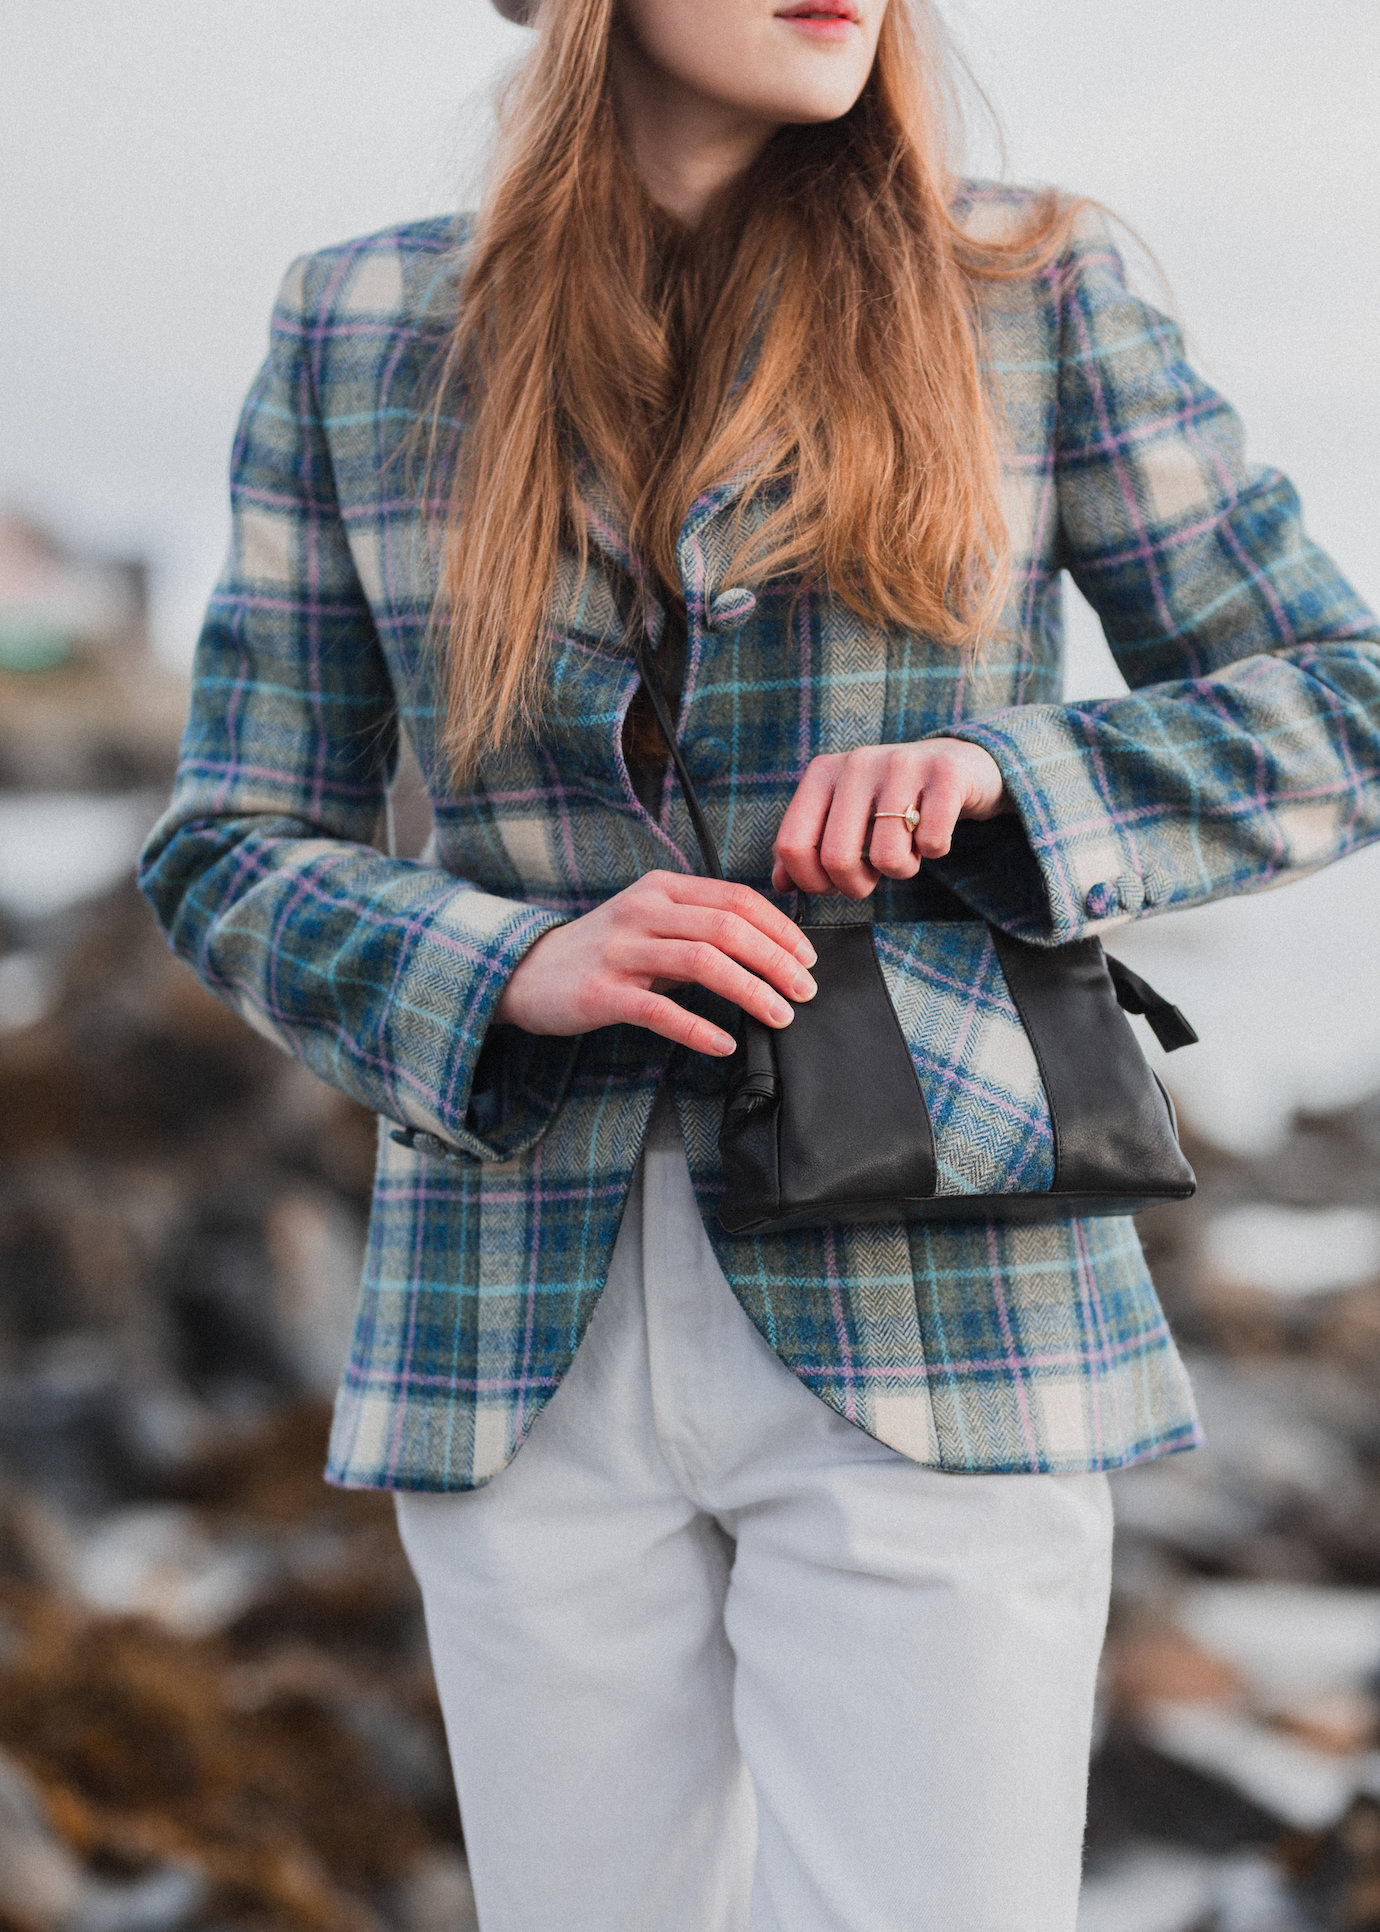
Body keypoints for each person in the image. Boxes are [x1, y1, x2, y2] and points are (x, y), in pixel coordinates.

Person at [139, 0, 1380, 1925]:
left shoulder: (1033, 288)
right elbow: (229, 842)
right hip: (508, 1327)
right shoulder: (359, 328)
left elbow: (1340, 709)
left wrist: (1009, 773)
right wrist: (504, 966)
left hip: (951, 1302)